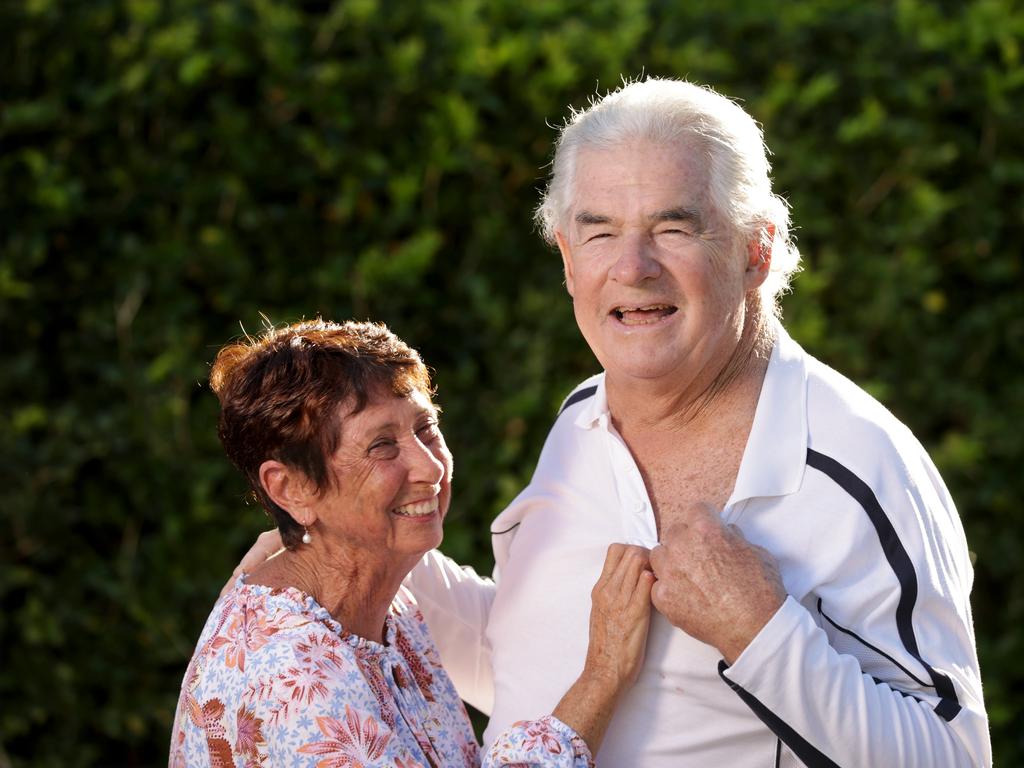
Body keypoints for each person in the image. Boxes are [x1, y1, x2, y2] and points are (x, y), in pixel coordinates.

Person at [235, 78, 991, 766]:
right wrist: (353, 551)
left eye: (674, 227)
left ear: (756, 251)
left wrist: (762, 632)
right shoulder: (583, 415)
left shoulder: (855, 463)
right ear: (567, 258)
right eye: (598, 230)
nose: (632, 267)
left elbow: (957, 757)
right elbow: (530, 659)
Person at [171, 319, 655, 767]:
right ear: (290, 488)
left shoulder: (390, 601)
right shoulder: (295, 674)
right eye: (382, 445)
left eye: (426, 428)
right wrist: (602, 676)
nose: (431, 467)